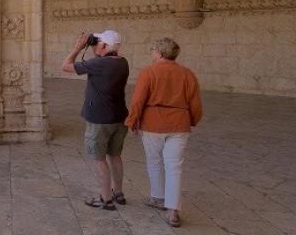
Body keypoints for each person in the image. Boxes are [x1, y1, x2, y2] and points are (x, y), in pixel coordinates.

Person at [126, 37, 203, 228]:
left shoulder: (149, 72)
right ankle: (173, 210)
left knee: (154, 161)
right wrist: (192, 121)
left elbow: (138, 100)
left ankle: (157, 197)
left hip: (153, 124)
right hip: (179, 124)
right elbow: (196, 104)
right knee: (174, 167)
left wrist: (132, 121)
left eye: (153, 49)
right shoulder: (187, 74)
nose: (151, 53)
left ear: (160, 52)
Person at [62, 30, 130, 211]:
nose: (94, 45)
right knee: (115, 155)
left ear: (105, 46)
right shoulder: (122, 62)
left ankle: (106, 199)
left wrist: (77, 47)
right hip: (119, 117)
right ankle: (118, 193)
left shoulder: (99, 64)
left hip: (100, 119)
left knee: (99, 159)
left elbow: (66, 65)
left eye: (97, 43)